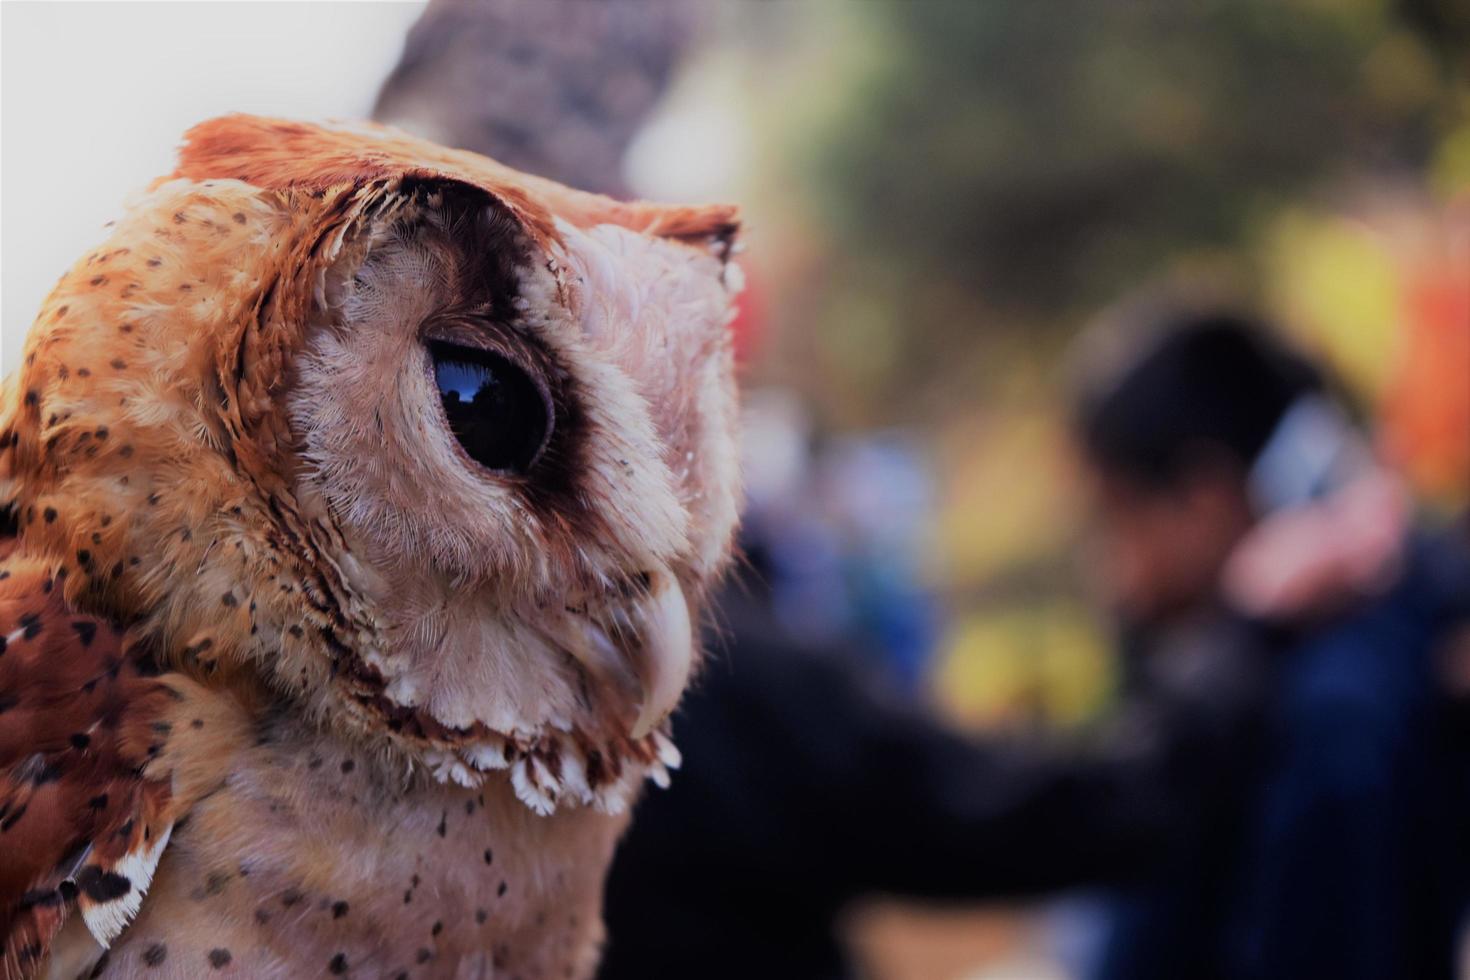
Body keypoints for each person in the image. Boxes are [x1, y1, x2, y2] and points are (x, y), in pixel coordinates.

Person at [1070, 303, 1470, 980]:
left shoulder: (1325, 715)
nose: (1110, 577)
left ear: (1204, 498)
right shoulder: (1242, 666)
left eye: (1115, 521)